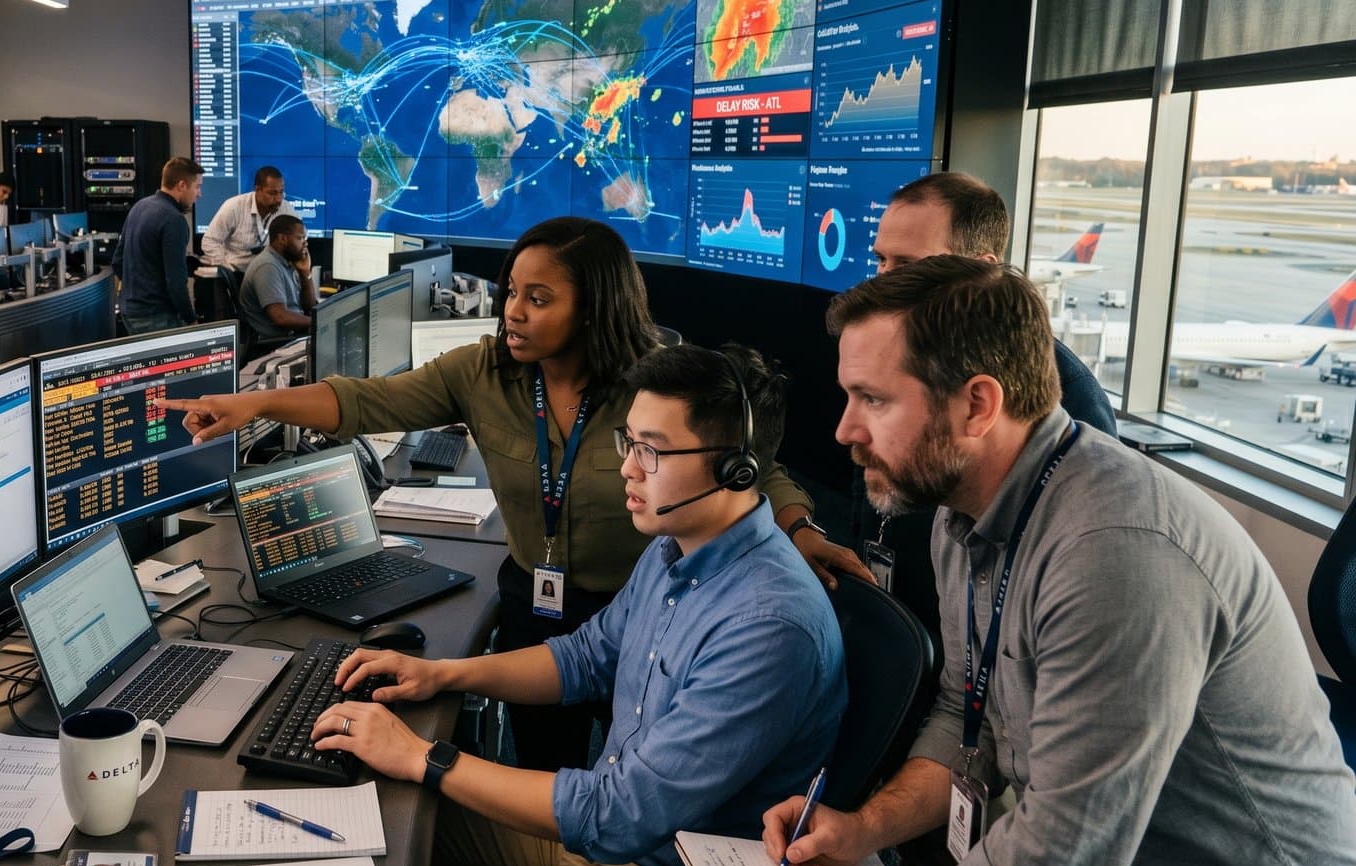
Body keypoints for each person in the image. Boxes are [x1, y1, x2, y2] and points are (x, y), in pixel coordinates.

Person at [764, 256, 1356, 866]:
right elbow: (967, 714)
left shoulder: (1115, 552)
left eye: (874, 399)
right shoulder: (962, 515)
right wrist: (865, 827)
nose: (844, 430)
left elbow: (1065, 847)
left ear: (979, 405)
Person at [165, 217, 851, 771]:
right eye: (511, 291)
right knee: (544, 773)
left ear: (596, 307)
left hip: (636, 609)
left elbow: (747, 464)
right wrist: (252, 403)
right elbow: (364, 401)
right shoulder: (485, 371)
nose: (513, 313)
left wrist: (798, 528)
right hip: (536, 605)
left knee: (642, 778)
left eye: (539, 297)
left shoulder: (655, 387)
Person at [310, 344, 844, 866]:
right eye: (629, 442)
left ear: (734, 470)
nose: (628, 468)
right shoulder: (675, 548)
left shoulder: (768, 625)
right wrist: (443, 675)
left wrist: (422, 756)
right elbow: (584, 658)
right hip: (601, 842)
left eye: (651, 450)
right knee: (372, 826)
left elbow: (619, 813)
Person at [849, 173, 1117, 636]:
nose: (883, 281)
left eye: (908, 264)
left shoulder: (1069, 397)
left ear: (978, 269)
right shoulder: (894, 361)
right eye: (881, 260)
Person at [119, 156, 203, 333]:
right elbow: (176, 283)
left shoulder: (139, 207)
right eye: (197, 187)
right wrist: (191, 320)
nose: (199, 194)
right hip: (157, 317)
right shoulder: (174, 220)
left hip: (130, 311)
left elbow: (117, 261)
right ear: (182, 185)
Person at [236, 214, 316, 340]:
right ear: (283, 239)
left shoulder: (287, 261)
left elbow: (309, 307)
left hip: (291, 336)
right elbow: (280, 317)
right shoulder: (267, 266)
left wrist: (305, 273)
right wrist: (318, 322)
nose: (305, 243)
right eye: (300, 238)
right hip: (275, 344)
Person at [202, 165, 288, 272]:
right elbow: (209, 241)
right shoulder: (234, 207)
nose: (278, 199)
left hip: (270, 273)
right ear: (258, 190)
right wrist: (226, 269)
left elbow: (300, 238)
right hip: (237, 272)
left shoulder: (285, 208)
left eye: (281, 192)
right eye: (272, 193)